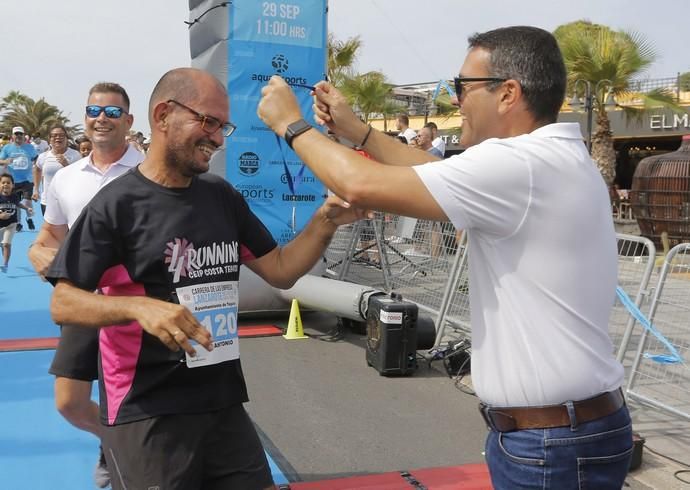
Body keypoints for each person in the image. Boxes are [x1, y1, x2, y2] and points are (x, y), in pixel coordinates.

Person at [257, 25, 632, 489]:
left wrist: (289, 125)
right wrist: (359, 133)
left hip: (552, 441)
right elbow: (438, 173)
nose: (456, 100)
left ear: (508, 93)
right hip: (555, 433)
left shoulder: (524, 165)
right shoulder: (541, 160)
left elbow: (357, 183)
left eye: (463, 86)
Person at [46, 67, 365, 490]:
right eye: (208, 122)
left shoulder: (221, 196)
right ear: (163, 115)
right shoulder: (116, 205)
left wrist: (326, 220)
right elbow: (63, 302)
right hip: (148, 409)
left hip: (222, 400)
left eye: (222, 126)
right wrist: (137, 306)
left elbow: (282, 270)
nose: (217, 138)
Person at [28, 81, 144, 489]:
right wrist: (46, 261)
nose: (102, 119)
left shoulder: (148, 171)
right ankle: (111, 439)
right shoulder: (67, 178)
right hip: (83, 303)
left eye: (113, 113)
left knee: (133, 400)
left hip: (136, 305)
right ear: (85, 118)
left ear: (128, 122)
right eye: (95, 111)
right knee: (70, 404)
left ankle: (126, 457)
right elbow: (46, 239)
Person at [32, 125, 82, 215]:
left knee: (69, 229)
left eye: (61, 135)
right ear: (50, 139)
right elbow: (37, 169)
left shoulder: (76, 155)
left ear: (66, 138)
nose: (58, 138)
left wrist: (66, 165)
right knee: (50, 229)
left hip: (68, 201)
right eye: (54, 135)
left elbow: (80, 177)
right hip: (47, 201)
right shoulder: (43, 156)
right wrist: (36, 189)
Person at [0, 126, 38, 231]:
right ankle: (19, 223)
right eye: (16, 134)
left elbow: (36, 160)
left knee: (27, 201)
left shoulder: (30, 147)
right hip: (13, 181)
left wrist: (36, 169)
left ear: (24, 135)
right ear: (13, 136)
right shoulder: (7, 148)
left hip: (27, 179)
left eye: (20, 134)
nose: (18, 136)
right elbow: (0, 160)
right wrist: (6, 162)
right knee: (16, 203)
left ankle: (29, 218)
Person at [0, 173, 34, 272]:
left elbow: (18, 204)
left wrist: (27, 208)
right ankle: (4, 257)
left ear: (12, 185)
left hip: (11, 224)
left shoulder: (14, 196)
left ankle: (5, 264)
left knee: (7, 244)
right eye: (3, 183)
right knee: (2, 244)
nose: (5, 184)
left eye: (8, 183)